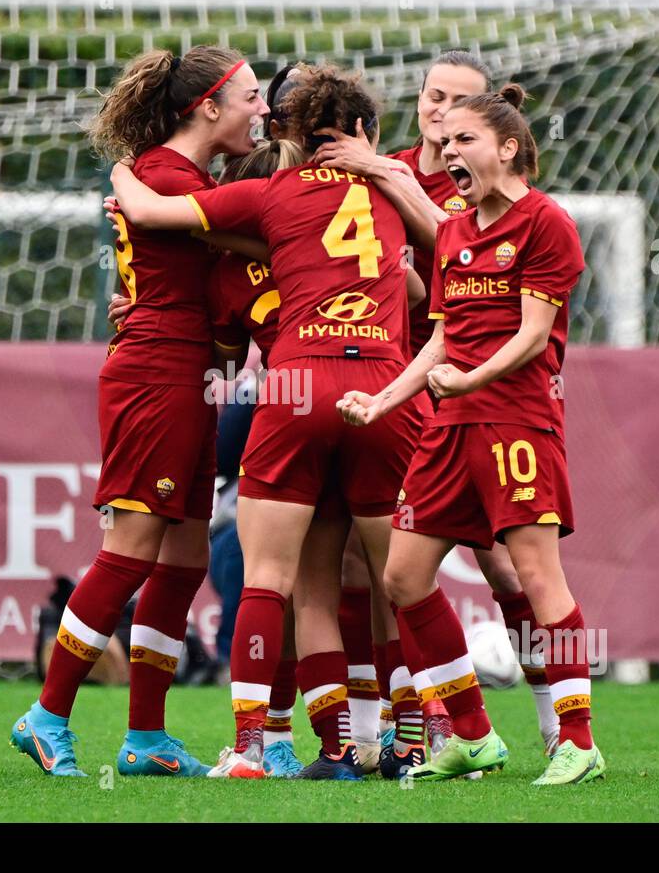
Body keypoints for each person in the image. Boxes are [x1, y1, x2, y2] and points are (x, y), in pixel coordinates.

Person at [109, 64, 427, 780]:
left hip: (295, 386)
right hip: (384, 385)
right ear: (363, 133)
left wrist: (125, 175)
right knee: (399, 579)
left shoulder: (263, 200)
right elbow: (415, 281)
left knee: (274, 580)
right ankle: (425, 736)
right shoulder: (387, 190)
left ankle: (269, 744)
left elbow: (160, 222)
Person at [9, 46, 269, 779]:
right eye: (251, 95)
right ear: (209, 106)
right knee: (130, 549)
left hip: (188, 374)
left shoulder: (171, 176)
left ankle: (146, 736)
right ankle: (48, 713)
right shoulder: (164, 177)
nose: (262, 109)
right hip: (155, 373)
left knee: (183, 558)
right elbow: (263, 238)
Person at [338, 84, 604, 785]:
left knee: (536, 574)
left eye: (466, 139)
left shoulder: (547, 222)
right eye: (446, 140)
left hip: (517, 420)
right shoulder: (453, 230)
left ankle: (577, 739)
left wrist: (471, 377)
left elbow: (534, 335)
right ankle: (475, 734)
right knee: (400, 575)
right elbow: (440, 339)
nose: (450, 151)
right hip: (450, 424)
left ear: (508, 147)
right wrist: (386, 397)